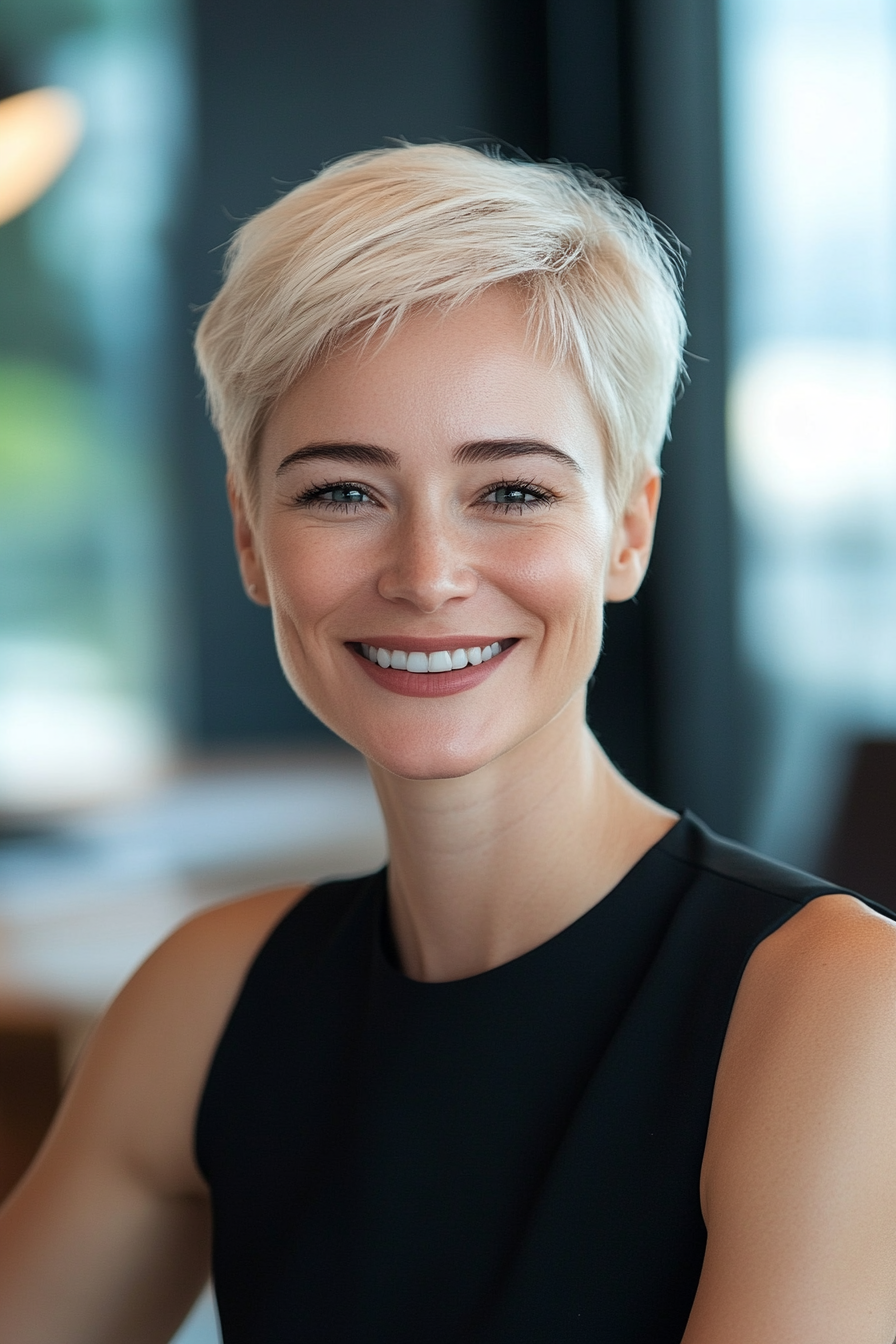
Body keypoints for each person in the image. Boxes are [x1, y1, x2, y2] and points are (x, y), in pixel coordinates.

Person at [1, 142, 896, 1344]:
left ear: (625, 531)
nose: (427, 576)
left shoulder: (832, 1005)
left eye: (511, 492)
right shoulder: (207, 999)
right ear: (250, 538)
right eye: (341, 492)